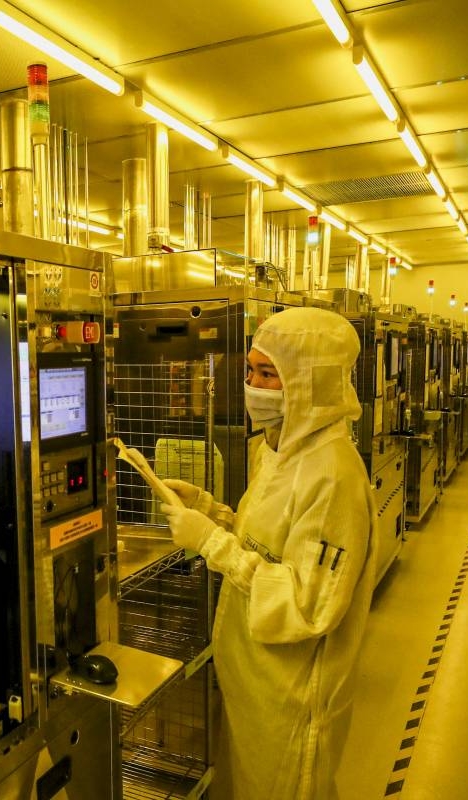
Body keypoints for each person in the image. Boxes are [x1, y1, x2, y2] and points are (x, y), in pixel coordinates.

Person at [160, 307, 378, 800]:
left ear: (309, 382)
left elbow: (308, 603)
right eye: (250, 371)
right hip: (254, 679)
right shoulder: (278, 450)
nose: (253, 386)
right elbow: (268, 544)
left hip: (294, 692)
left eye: (269, 374)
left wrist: (210, 544)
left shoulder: (333, 474)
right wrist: (213, 513)